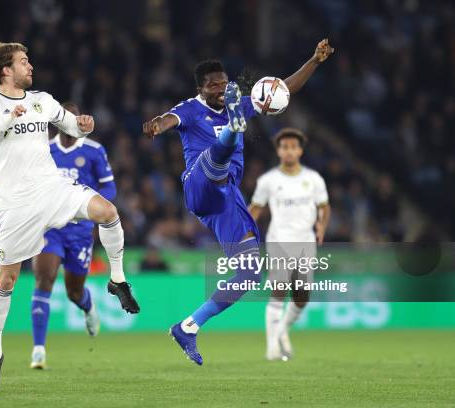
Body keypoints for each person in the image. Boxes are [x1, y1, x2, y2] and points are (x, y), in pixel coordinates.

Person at [0, 42, 139, 393]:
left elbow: (75, 127)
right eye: (24, 61)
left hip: (52, 187)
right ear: (5, 69)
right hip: (17, 204)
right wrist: (6, 120)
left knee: (108, 212)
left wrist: (84, 125)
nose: (30, 66)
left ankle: (117, 279)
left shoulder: (42, 99)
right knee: (7, 280)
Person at [142, 39, 333, 365]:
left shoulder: (245, 101)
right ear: (200, 89)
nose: (219, 87)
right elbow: (168, 119)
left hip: (226, 199)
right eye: (212, 85)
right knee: (215, 160)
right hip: (199, 183)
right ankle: (232, 130)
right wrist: (157, 125)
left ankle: (188, 326)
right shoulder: (190, 108)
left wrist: (314, 60)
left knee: (249, 273)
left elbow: (284, 89)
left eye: (223, 82)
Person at [30, 102, 117, 369]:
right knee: (44, 280)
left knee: (73, 291)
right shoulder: (43, 150)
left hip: (80, 232)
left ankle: (88, 307)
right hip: (49, 228)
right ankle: (38, 350)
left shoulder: (93, 151)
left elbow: (109, 190)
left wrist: (90, 210)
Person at [250, 128, 331, 360]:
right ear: (278, 151)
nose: (289, 151)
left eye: (293, 147)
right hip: (279, 241)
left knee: (302, 297)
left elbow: (324, 207)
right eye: (284, 147)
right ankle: (272, 347)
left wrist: (322, 226)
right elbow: (255, 208)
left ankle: (282, 330)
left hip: (306, 242)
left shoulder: (313, 179)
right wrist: (241, 232)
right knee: (278, 292)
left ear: (300, 150)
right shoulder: (268, 181)